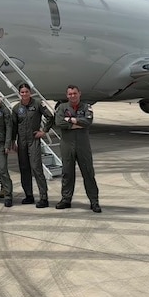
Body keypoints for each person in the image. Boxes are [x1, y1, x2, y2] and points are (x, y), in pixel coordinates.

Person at [54, 85, 101, 213]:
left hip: (83, 145)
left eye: (75, 93)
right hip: (67, 144)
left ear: (79, 93)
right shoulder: (62, 108)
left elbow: (88, 122)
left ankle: (94, 201)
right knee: (67, 173)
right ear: (66, 95)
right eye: (70, 94)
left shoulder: (86, 107)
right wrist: (76, 124)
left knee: (88, 173)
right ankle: (66, 199)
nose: (72, 96)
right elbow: (59, 123)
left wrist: (71, 120)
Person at [11, 83, 55, 208]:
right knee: (24, 168)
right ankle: (29, 195)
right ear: (19, 94)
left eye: (26, 92)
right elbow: (13, 126)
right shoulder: (16, 108)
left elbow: (50, 116)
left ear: (30, 92)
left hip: (33, 140)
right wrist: (12, 141)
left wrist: (44, 131)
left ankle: (43, 197)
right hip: (21, 142)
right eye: (22, 92)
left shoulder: (37, 104)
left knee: (36, 168)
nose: (24, 94)